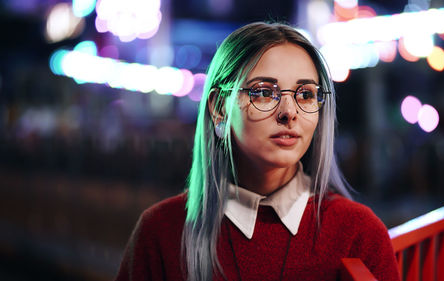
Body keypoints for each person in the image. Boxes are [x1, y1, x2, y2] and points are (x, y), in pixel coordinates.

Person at [114, 22, 399, 281]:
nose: (289, 113)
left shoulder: (358, 233)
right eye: (264, 92)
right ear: (219, 107)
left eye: (306, 94)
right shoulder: (161, 231)